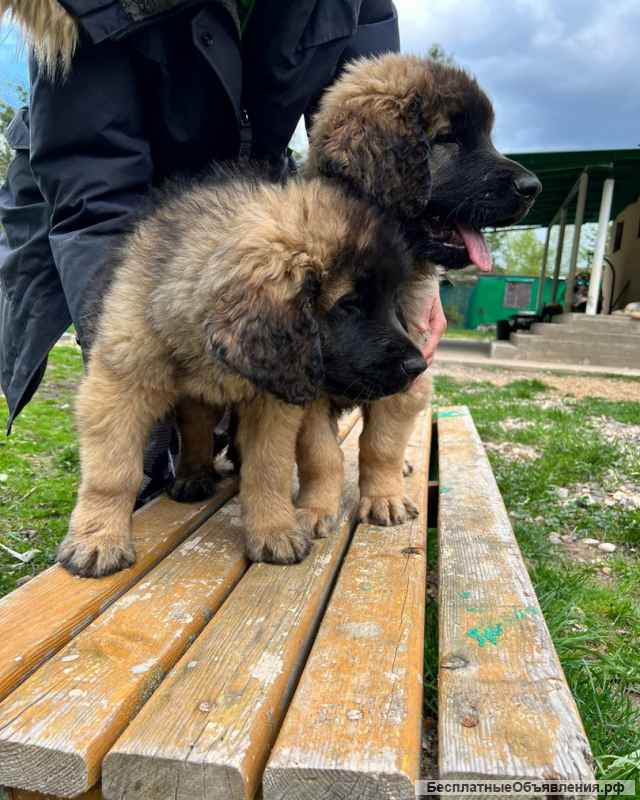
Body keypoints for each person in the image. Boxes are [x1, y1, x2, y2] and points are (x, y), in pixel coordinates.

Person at [0, 0, 446, 496]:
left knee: (254, 397)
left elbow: (369, 160)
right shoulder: (73, 6)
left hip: (245, 205)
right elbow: (96, 198)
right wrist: (131, 357)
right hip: (119, 219)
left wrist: (413, 277)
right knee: (145, 438)